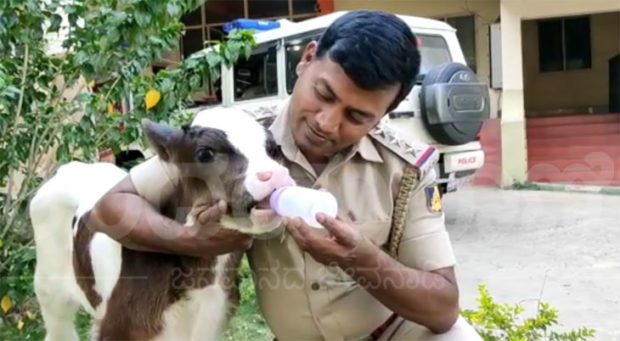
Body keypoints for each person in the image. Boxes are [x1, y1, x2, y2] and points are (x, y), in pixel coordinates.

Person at [87, 10, 482, 341]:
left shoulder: (405, 167)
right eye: (324, 94)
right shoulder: (238, 139)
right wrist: (190, 240)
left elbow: (443, 308)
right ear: (307, 59)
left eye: (358, 116)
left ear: (386, 113)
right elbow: (109, 209)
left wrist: (359, 258)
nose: (327, 123)